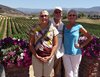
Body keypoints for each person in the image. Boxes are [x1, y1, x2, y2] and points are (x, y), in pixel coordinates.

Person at [63, 9, 93, 77]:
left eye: (74, 15)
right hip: (65, 53)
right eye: (70, 15)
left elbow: (90, 37)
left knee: (75, 72)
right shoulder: (64, 27)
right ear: (67, 17)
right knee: (69, 73)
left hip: (76, 53)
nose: (72, 16)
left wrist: (81, 45)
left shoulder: (79, 26)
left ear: (76, 17)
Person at [29, 10, 59, 77]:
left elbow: (56, 44)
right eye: (42, 16)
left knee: (47, 75)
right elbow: (31, 43)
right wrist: (37, 56)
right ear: (39, 17)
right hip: (36, 56)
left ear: (48, 17)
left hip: (49, 56)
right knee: (37, 75)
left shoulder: (53, 29)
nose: (44, 17)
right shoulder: (34, 28)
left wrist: (50, 56)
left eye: (45, 16)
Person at [50, 7, 64, 77]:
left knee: (58, 71)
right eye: (56, 12)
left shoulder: (63, 25)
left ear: (62, 14)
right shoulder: (48, 23)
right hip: (48, 51)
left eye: (59, 12)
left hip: (59, 52)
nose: (58, 14)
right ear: (53, 13)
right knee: (48, 71)